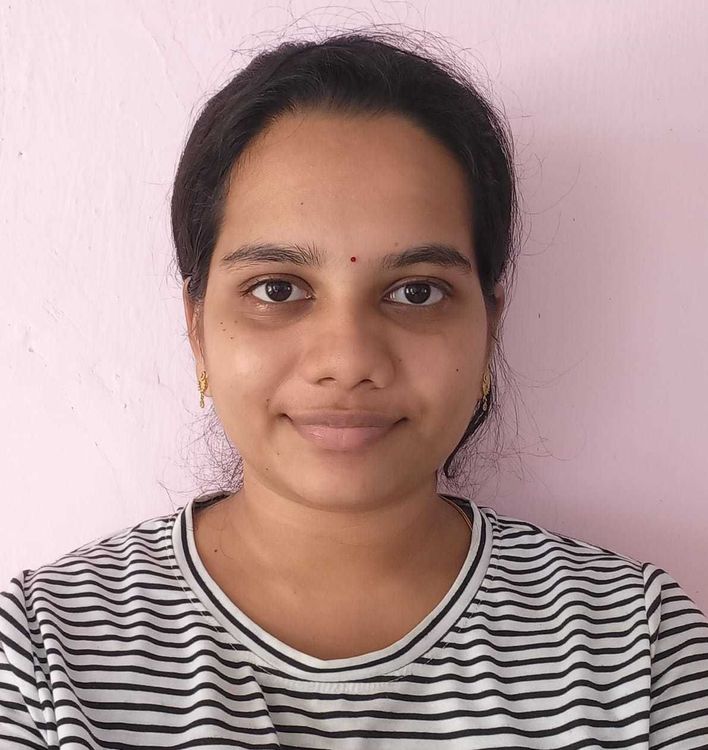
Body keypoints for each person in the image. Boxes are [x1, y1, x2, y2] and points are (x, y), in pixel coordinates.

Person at [2, 29, 707, 749]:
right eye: (277, 289)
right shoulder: (43, 659)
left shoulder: (635, 651)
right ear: (197, 327)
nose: (347, 361)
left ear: (490, 326)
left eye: (416, 291)